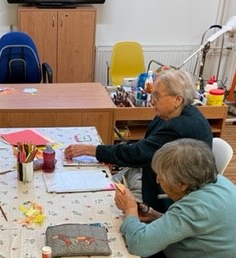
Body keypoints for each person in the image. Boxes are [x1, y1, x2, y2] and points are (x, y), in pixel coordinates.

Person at [64, 69, 213, 211]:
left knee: (102, 199)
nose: (152, 101)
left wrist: (92, 150)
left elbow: (138, 154)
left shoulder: (180, 126)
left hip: (165, 192)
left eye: (157, 96)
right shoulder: (169, 115)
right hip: (148, 173)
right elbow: (145, 147)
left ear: (177, 100)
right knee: (98, 184)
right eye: (152, 95)